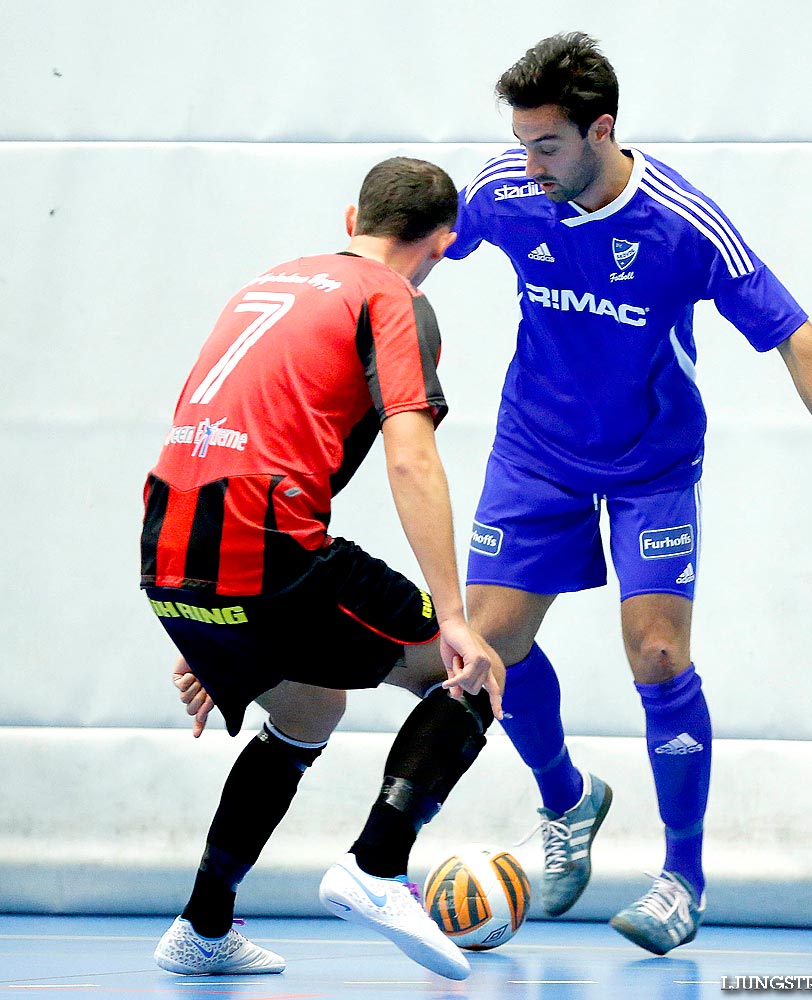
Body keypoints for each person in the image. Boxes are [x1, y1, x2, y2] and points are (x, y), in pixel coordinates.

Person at [444, 32, 812, 954]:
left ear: (601, 130)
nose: (527, 165)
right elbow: (420, 243)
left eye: (548, 146)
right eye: (521, 142)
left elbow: (793, 333)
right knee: (486, 650)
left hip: (651, 462)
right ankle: (568, 801)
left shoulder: (683, 223)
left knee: (656, 653)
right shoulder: (504, 190)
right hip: (535, 451)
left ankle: (682, 878)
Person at [140, 156, 504, 981]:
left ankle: (202, 927)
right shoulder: (397, 300)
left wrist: (209, 629)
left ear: (352, 219)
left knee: (308, 708)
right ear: (444, 241)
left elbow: (223, 424)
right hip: (261, 539)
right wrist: (454, 615)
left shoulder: (274, 282)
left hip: (169, 541)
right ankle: (377, 867)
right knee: (475, 673)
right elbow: (410, 459)